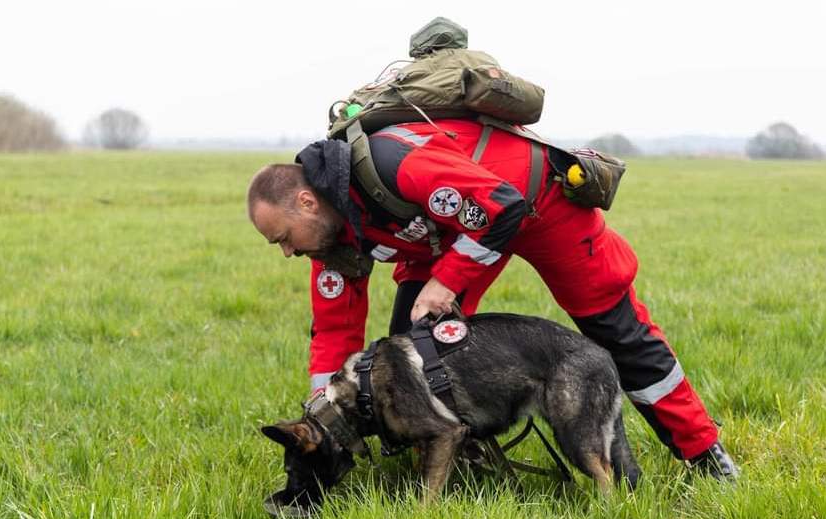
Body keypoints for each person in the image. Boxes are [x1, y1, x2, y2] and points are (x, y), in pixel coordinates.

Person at [247, 118, 738, 480]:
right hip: (452, 232)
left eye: (283, 238)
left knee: (613, 327)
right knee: (410, 351)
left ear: (307, 202)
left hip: (535, 200)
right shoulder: (329, 236)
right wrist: (321, 414)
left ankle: (705, 453)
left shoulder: (394, 165)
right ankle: (456, 462)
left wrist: (446, 282)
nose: (288, 252)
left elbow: (502, 207)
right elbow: (334, 331)